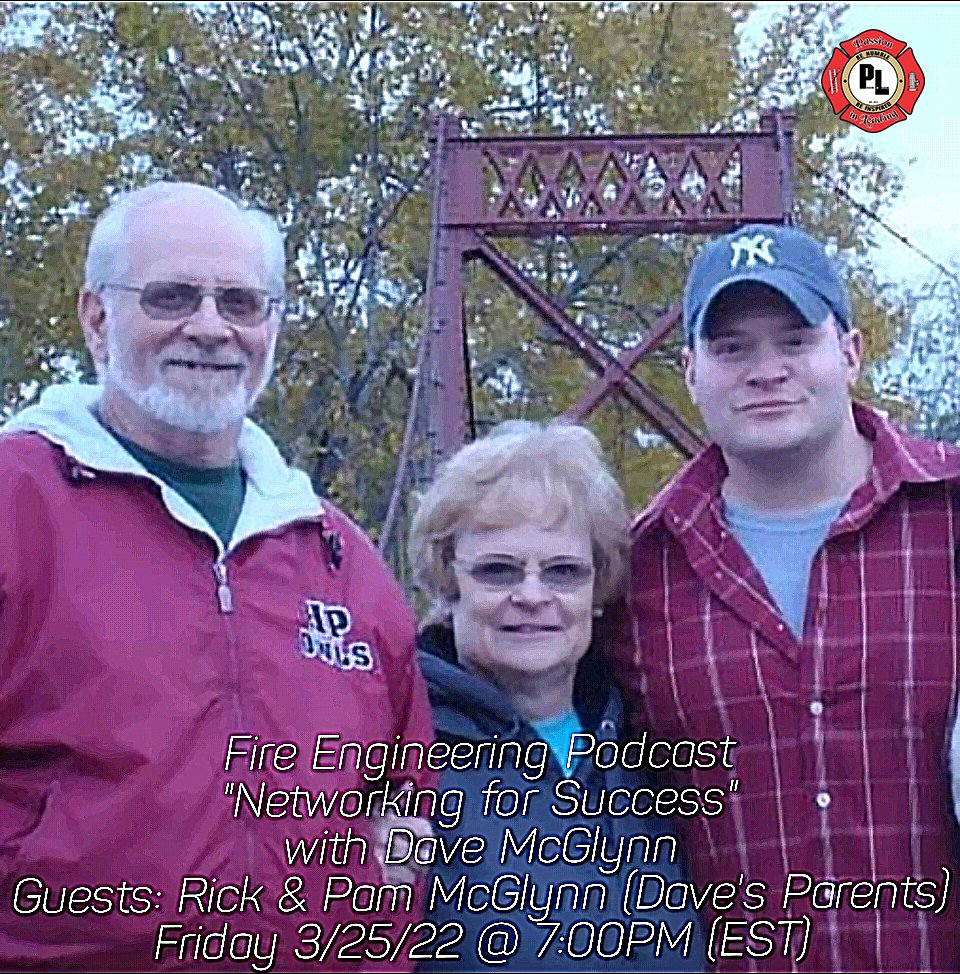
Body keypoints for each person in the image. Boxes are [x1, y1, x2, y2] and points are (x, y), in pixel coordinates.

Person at [0, 182, 434, 972]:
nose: (209, 326)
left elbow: (402, 796)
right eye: (170, 297)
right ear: (96, 318)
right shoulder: (15, 508)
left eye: (240, 302)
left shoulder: (339, 555)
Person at [609, 223, 960, 972]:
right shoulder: (632, 574)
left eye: (795, 340)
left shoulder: (954, 517)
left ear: (851, 352)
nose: (766, 370)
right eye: (732, 348)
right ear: (691, 370)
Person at [406, 421, 703, 972]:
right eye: (498, 571)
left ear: (598, 590)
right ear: (449, 584)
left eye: (564, 572)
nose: (533, 596)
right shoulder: (394, 763)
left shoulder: (654, 756)